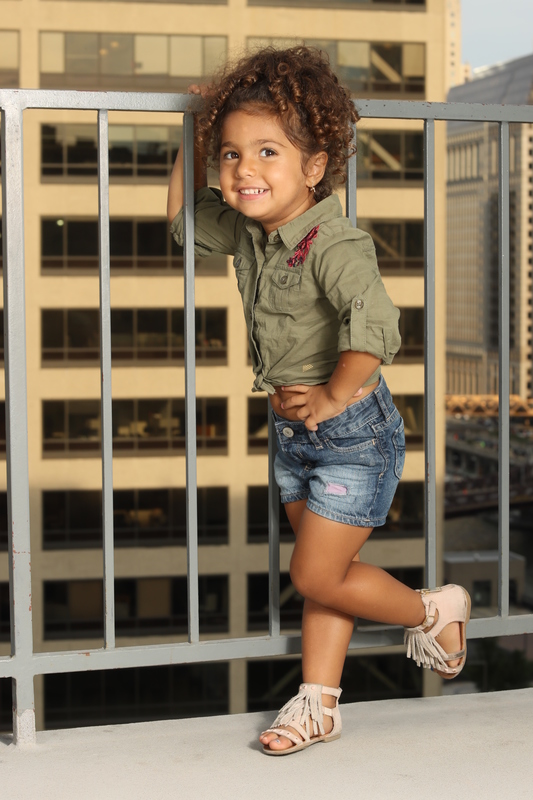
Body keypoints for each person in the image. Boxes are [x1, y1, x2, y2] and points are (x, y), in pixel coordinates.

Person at [167, 45, 471, 756]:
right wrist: (194, 127)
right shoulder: (251, 231)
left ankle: (430, 610)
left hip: (351, 432)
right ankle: (318, 705)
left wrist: (335, 396)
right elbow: (183, 220)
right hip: (294, 432)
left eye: (267, 152)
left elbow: (377, 326)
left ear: (313, 168)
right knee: (324, 578)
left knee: (312, 572)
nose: (244, 169)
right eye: (231, 154)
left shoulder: (333, 243)